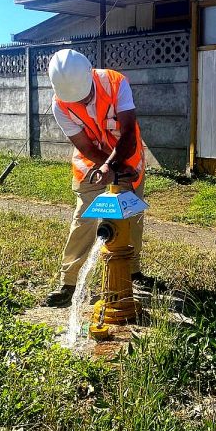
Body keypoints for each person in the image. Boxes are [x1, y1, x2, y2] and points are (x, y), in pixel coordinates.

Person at [43, 49, 145, 307]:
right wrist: (105, 168)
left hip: (127, 158)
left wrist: (114, 167)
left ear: (90, 75)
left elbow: (128, 134)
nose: (82, 100)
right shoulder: (60, 104)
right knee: (84, 218)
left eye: (85, 94)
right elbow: (85, 146)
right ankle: (69, 282)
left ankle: (133, 271)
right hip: (91, 164)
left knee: (131, 215)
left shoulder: (115, 83)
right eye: (76, 98)